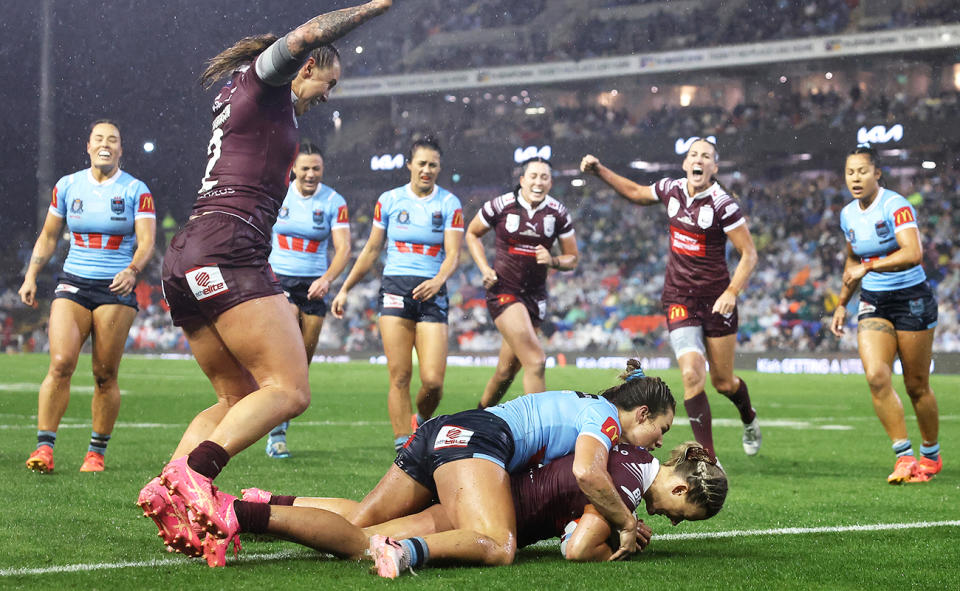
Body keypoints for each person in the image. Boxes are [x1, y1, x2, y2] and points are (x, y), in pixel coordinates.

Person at [136, 0, 392, 557]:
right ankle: (195, 477)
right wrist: (374, 9)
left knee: (235, 396)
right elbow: (309, 34)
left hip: (191, 252)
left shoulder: (241, 92)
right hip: (231, 246)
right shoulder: (265, 83)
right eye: (329, 79)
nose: (330, 93)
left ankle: (170, 488)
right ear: (305, 68)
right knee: (290, 390)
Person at [149, 359, 680, 569]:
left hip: (443, 432)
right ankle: (402, 553)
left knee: (359, 522)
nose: (658, 442)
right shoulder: (604, 420)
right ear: (640, 412)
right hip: (477, 441)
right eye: (661, 428)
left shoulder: (587, 404)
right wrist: (628, 523)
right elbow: (587, 473)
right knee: (497, 546)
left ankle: (245, 508)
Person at [235, 440, 725, 564]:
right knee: (364, 540)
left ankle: (266, 501)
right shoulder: (630, 485)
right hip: (487, 496)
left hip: (481, 470)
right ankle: (241, 515)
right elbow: (577, 548)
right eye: (686, 516)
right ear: (681, 488)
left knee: (370, 514)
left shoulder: (634, 452)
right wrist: (623, 539)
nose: (676, 524)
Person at [580, 139, 761, 461]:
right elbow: (636, 193)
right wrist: (599, 171)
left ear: (714, 168)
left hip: (717, 299)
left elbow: (749, 253)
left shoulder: (723, 205)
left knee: (723, 382)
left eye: (706, 157)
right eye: (694, 155)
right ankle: (709, 457)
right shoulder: (671, 189)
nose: (699, 160)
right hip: (679, 297)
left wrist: (732, 292)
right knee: (692, 373)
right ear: (685, 162)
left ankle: (748, 417)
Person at [20, 119, 156, 474]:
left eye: (113, 139)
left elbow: (146, 242)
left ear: (121, 149)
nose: (105, 144)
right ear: (89, 145)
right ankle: (44, 449)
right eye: (99, 138)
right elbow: (50, 236)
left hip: (115, 289)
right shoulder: (68, 186)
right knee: (61, 362)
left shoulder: (135, 190)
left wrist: (132, 270)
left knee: (104, 374)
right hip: (73, 283)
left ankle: (95, 453)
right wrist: (31, 275)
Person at [331, 137, 464, 450]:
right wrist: (345, 288)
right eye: (421, 163)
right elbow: (372, 249)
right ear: (410, 165)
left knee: (433, 381)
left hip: (433, 293)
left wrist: (438, 280)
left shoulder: (449, 203)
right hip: (394, 289)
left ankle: (418, 418)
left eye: (433, 164)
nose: (427, 169)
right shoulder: (389, 200)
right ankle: (403, 444)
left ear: (439, 167)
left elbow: (453, 254)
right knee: (400, 374)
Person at [830, 144, 942, 484]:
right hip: (874, 300)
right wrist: (842, 302)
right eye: (850, 172)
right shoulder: (848, 214)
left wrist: (871, 266)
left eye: (862, 171)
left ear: (877, 173)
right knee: (876, 376)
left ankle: (931, 457)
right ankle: (904, 457)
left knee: (916, 385)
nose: (856, 178)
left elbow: (913, 252)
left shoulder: (896, 205)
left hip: (912, 299)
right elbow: (853, 260)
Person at [465, 157, 578, 407]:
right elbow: (472, 233)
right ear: (522, 180)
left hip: (535, 298)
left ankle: (479, 418)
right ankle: (539, 436)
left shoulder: (557, 213)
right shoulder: (501, 205)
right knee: (536, 361)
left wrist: (553, 260)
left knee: (506, 372)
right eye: (534, 176)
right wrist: (484, 268)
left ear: (550, 183)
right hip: (504, 291)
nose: (538, 182)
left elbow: (573, 259)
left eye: (544, 177)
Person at [263, 141, 351, 458]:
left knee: (301, 365)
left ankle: (280, 423)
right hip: (279, 281)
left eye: (316, 168)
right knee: (286, 357)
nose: (311, 174)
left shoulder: (333, 202)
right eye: (305, 168)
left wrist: (326, 279)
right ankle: (275, 433)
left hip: (315, 286)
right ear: (294, 170)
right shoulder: (278, 193)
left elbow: (343, 249)